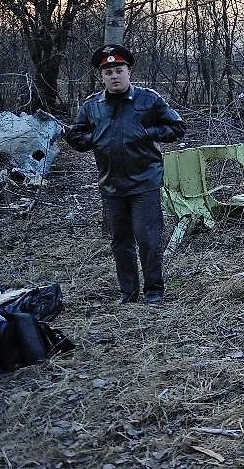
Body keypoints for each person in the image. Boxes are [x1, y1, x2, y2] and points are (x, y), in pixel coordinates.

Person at [66, 45, 186, 305]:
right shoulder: (92, 106)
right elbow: (75, 136)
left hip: (145, 181)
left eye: (119, 70)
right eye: (108, 72)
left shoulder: (148, 99)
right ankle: (128, 293)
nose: (114, 76)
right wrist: (94, 138)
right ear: (102, 76)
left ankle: (153, 291)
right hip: (111, 184)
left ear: (129, 71)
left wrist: (148, 133)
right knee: (120, 242)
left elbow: (177, 127)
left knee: (148, 239)